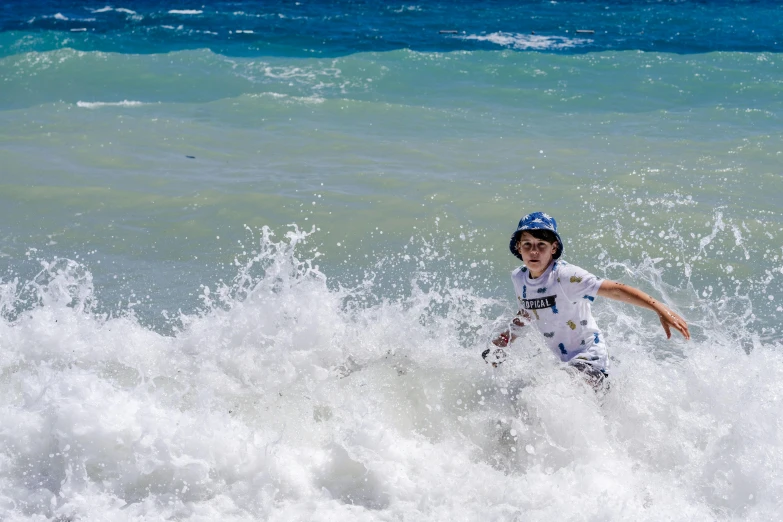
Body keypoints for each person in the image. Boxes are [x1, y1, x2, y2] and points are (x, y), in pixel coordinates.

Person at [484, 212, 690, 385]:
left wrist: (659, 308)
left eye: (541, 245)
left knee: (553, 391)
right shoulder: (519, 278)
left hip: (591, 361)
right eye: (527, 244)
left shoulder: (566, 276)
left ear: (553, 248)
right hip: (563, 365)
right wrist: (505, 341)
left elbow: (616, 290)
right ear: (518, 248)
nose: (534, 251)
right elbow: (527, 313)